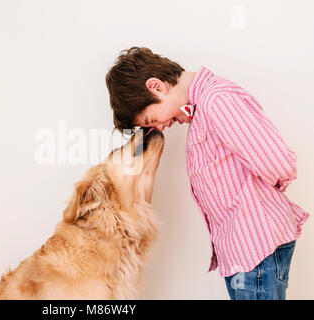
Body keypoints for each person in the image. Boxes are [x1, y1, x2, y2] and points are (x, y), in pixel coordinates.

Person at [105, 46, 310, 300]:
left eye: (150, 120)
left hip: (256, 249)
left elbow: (279, 162)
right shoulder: (203, 108)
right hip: (244, 252)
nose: (160, 127)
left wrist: (267, 195)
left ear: (157, 87)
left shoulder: (217, 101)